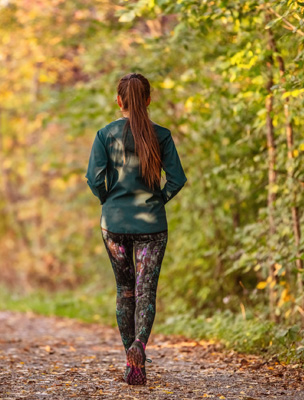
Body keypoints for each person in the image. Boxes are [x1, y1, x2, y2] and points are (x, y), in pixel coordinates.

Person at [85, 73, 187, 385]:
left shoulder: (105, 134)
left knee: (124, 290)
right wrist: (158, 200)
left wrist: (109, 201)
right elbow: (177, 179)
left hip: (114, 224)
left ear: (119, 101)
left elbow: (93, 178)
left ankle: (132, 365)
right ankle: (139, 346)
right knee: (146, 291)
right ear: (148, 99)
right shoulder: (162, 135)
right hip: (152, 224)